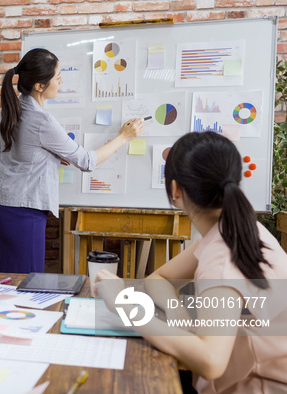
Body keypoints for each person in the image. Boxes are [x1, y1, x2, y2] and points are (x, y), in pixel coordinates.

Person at [94, 131, 287, 393]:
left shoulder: (222, 260)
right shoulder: (237, 230)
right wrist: (177, 312)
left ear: (175, 190)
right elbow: (158, 279)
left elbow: (211, 362)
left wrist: (125, 305)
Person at [0, 48, 144, 273]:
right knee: (25, 288)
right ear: (40, 86)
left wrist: (45, 157)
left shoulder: (10, 111)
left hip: (1, 212)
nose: (62, 81)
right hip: (25, 217)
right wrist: (123, 137)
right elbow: (87, 161)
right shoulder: (43, 121)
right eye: (58, 77)